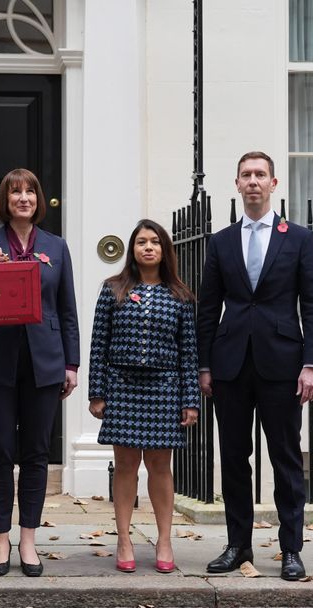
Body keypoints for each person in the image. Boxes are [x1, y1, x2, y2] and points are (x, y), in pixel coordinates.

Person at [197, 151, 313, 581]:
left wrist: (312, 363)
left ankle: (291, 549)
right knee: (233, 458)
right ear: (236, 184)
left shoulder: (299, 238)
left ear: (274, 183)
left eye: (260, 175)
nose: (253, 181)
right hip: (231, 365)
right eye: (246, 175)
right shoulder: (222, 241)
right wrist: (204, 365)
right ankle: (238, 546)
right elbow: (208, 307)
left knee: (286, 458)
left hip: (284, 365)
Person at [0, 168, 80, 577]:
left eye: (30, 191)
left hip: (45, 363)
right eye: (15, 191)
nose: (23, 198)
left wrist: (71, 363)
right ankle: (0, 540)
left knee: (36, 454)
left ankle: (29, 540)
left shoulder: (56, 246)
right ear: (5, 200)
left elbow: (67, 310)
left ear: (39, 199)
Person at [88, 219, 199, 574]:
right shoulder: (113, 290)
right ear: (132, 250)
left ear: (164, 250)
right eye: (141, 242)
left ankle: (164, 539)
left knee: (159, 466)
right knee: (125, 466)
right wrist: (97, 393)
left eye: (154, 242)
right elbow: (98, 345)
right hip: (122, 387)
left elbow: (189, 353)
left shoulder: (180, 296)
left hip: (164, 389)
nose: (147, 247)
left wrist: (190, 400)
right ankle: (123, 538)